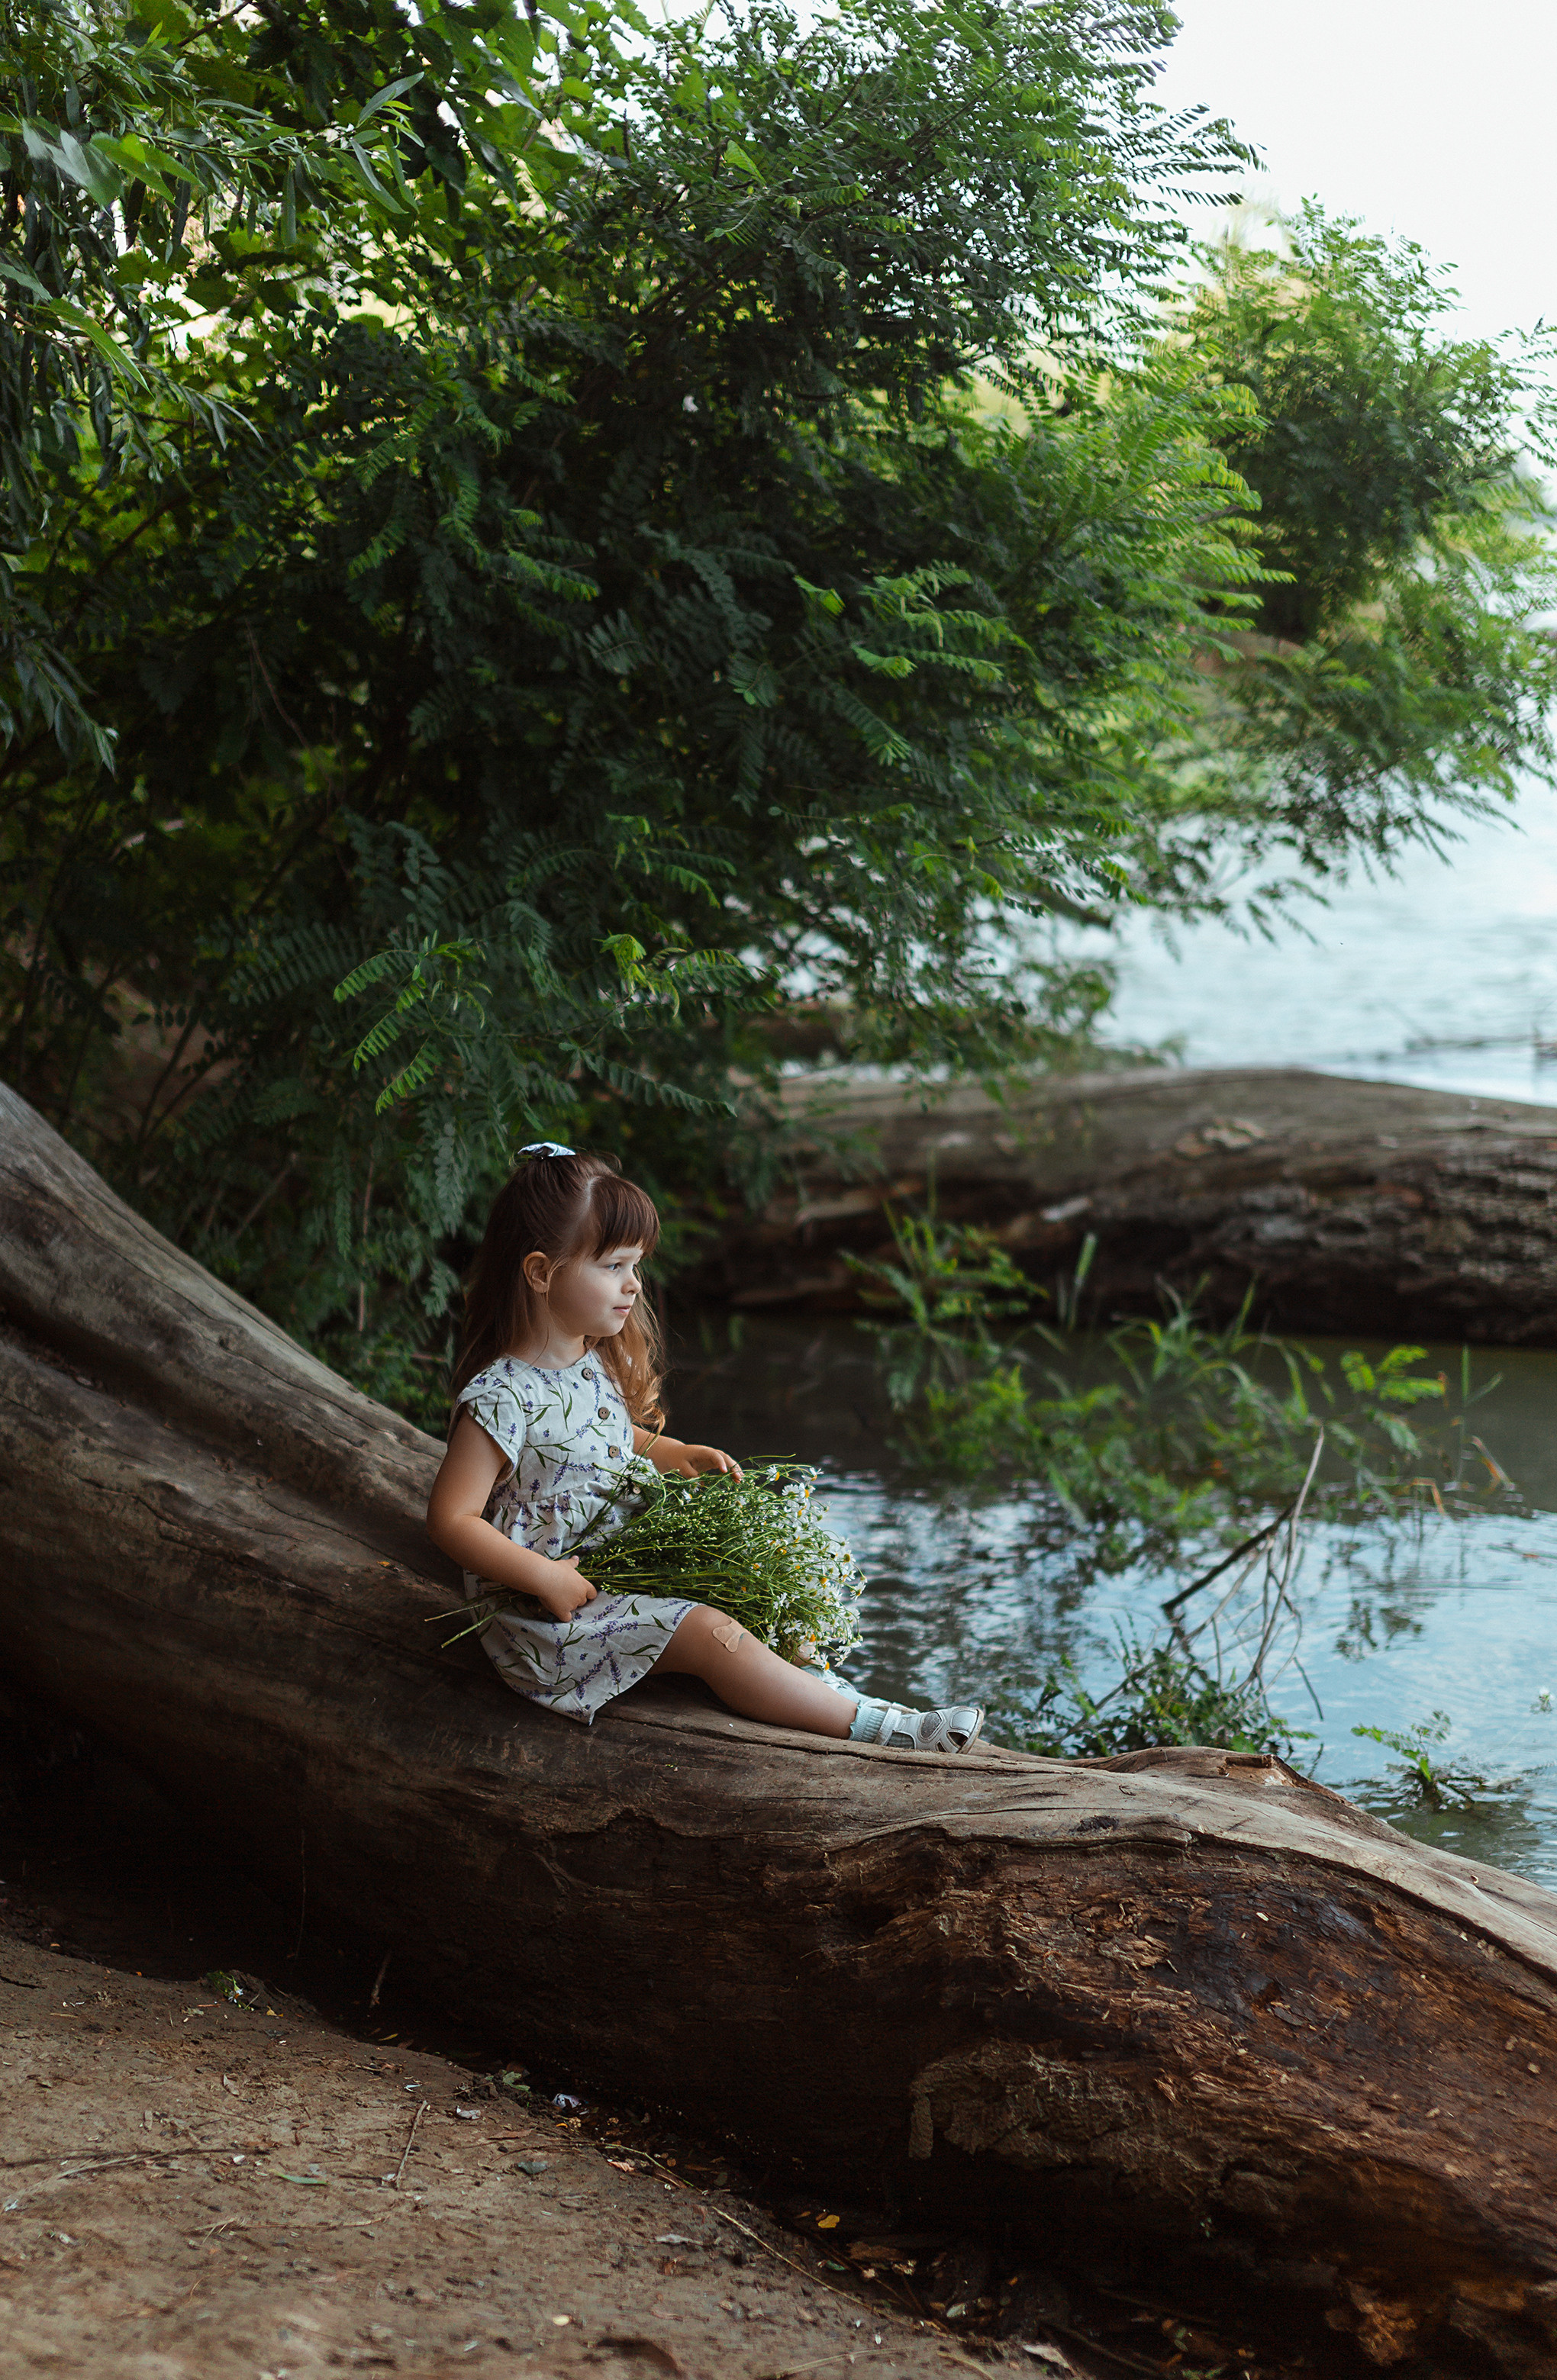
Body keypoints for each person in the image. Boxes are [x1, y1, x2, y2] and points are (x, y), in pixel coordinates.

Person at [425, 1144, 984, 1753]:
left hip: (617, 1561)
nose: (633, 1284)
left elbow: (604, 1442)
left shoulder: (589, 1361)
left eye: (636, 1265)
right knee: (712, 1632)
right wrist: (542, 1575)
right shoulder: (502, 1396)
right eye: (613, 1265)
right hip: (547, 1614)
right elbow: (452, 1518)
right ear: (540, 1273)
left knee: (754, 1585)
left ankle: (839, 1695)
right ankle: (879, 1732)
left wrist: (671, 1451)